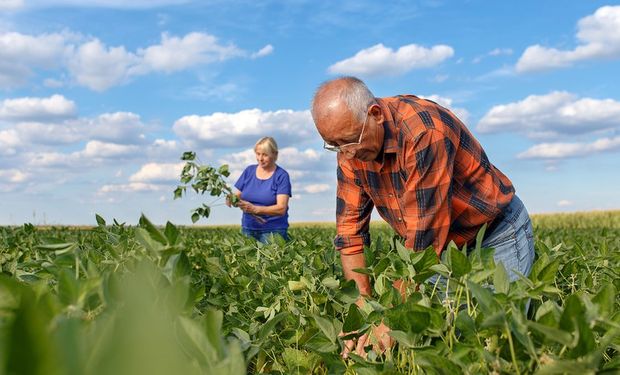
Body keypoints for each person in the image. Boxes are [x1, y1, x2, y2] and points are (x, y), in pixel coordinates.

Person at [311, 76, 535, 358]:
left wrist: (389, 320)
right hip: (440, 251)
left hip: (494, 235)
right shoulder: (349, 152)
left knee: (501, 342)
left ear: (375, 115)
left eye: (349, 142)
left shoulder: (423, 131)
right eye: (334, 145)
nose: (346, 153)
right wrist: (362, 312)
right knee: (445, 342)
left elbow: (423, 237)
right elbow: (350, 234)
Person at [227, 136, 292, 243]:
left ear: (275, 155)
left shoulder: (281, 176)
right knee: (247, 260)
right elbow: (238, 195)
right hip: (248, 229)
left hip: (273, 231)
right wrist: (232, 199)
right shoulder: (249, 171)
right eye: (258, 154)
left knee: (271, 259)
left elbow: (281, 209)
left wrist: (256, 209)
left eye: (265, 155)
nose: (260, 158)